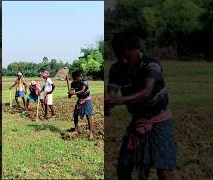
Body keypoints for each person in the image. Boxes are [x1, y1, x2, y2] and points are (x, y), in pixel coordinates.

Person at [105, 32, 176, 180]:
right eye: (120, 57)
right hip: (137, 121)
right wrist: (108, 105)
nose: (124, 61)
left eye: (127, 56)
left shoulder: (151, 64)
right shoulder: (117, 69)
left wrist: (119, 100)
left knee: (163, 171)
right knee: (123, 169)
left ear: (136, 49)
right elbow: (112, 93)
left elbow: (147, 92)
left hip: (159, 120)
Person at [68, 71, 94, 140]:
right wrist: (70, 94)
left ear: (79, 77)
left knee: (89, 116)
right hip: (79, 100)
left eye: (77, 78)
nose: (75, 80)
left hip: (87, 100)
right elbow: (71, 92)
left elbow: (82, 90)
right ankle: (76, 130)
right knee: (75, 114)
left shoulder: (84, 82)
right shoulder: (73, 83)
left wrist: (73, 93)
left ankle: (91, 133)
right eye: (74, 79)